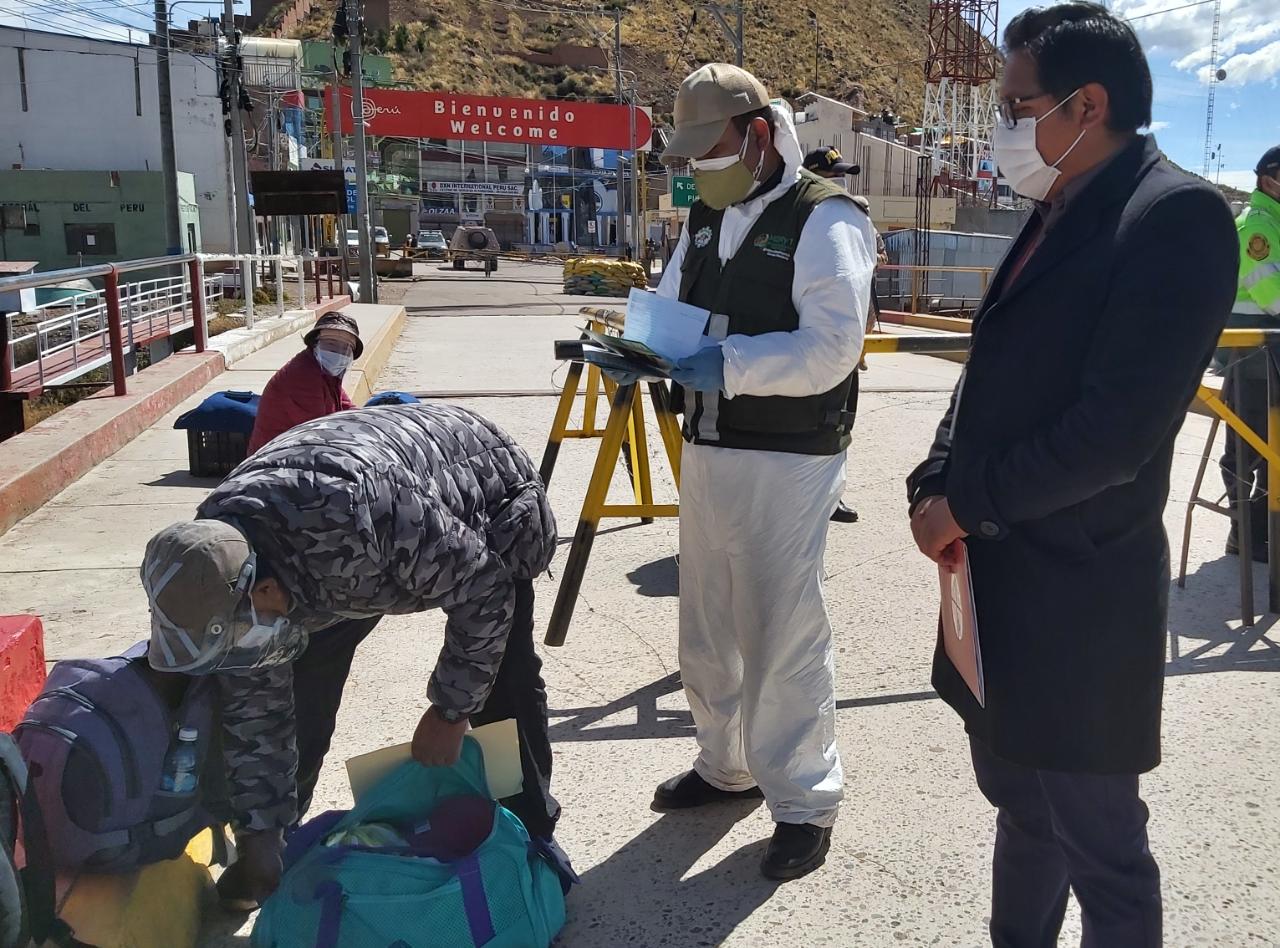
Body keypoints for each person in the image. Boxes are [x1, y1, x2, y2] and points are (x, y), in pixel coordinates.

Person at [905, 5, 1238, 945]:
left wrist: (967, 499)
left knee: (1103, 850)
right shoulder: (1053, 207)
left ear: (1088, 105)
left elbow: (1115, 433)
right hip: (997, 582)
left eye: (1017, 104)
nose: (1004, 126)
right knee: (1023, 813)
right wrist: (934, 479)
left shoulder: (1174, 215)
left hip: (1079, 596)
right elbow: (988, 369)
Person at [139, 404, 570, 909]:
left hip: (485, 499)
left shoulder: (363, 518)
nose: (244, 648)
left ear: (269, 590)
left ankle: (534, 841)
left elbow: (484, 591)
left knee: (504, 680)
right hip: (333, 555)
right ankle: (279, 842)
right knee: (297, 693)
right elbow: (260, 718)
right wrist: (261, 840)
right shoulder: (213, 561)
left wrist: (452, 711)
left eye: (245, 631)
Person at [650, 63, 876, 881]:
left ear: (754, 135)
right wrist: (641, 347)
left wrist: (732, 364)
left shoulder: (826, 219)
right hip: (711, 446)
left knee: (780, 629)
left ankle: (804, 800)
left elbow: (832, 347)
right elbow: (672, 308)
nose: (696, 171)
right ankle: (725, 764)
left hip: (789, 455)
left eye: (707, 153)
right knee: (706, 623)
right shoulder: (703, 222)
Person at [802, 147, 888, 524]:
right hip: (808, 344)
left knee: (840, 424)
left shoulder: (854, 215)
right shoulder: (798, 218)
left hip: (846, 342)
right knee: (808, 423)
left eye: (842, 176)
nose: (840, 183)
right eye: (832, 176)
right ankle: (805, 498)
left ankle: (831, 496)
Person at [1219, 144, 1280, 561]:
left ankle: (1264, 531)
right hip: (1251, 353)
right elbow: (1270, 292)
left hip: (1267, 351)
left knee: (1267, 447)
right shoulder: (1257, 226)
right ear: (1268, 180)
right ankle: (1246, 534)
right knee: (1248, 447)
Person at [246, 312, 360, 453]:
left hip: (300, 450)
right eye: (330, 344)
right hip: (274, 459)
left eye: (345, 349)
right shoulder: (302, 375)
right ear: (315, 344)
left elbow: (346, 407)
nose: (337, 352)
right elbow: (320, 430)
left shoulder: (327, 372)